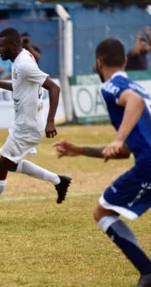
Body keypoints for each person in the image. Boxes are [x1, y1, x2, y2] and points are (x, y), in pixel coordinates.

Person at [54, 38, 151, 287]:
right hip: (145, 158)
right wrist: (81, 150)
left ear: (98, 62)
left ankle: (148, 272)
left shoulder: (111, 87)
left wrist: (117, 139)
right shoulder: (136, 85)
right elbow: (124, 152)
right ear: (126, 60)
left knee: (103, 211)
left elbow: (135, 104)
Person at [0, 28, 71, 222]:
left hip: (28, 126)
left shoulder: (23, 64)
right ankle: (59, 180)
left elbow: (53, 87)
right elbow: (19, 86)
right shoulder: (20, 59)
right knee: (11, 164)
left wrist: (50, 121)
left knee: (0, 167)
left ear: (13, 46)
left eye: (2, 46)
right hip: (23, 123)